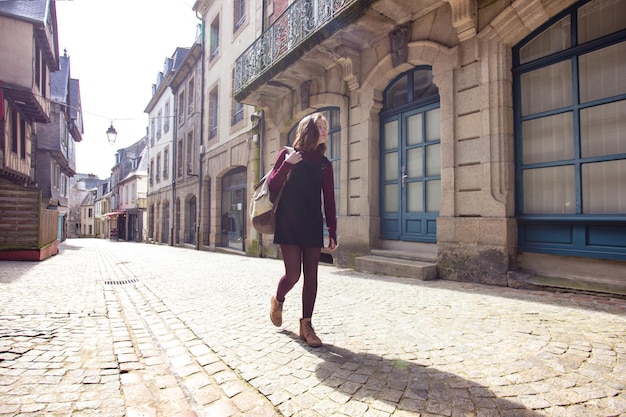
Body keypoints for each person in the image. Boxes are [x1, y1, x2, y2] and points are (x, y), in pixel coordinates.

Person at [267, 113, 337, 347]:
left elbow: (329, 198)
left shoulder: (325, 164)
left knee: (312, 277)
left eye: (326, 127)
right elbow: (272, 185)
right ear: (308, 129)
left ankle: (306, 324)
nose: (325, 130)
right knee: (294, 274)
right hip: (288, 222)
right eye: (320, 126)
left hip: (312, 223)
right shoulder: (288, 154)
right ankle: (278, 299)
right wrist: (288, 165)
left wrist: (332, 230)